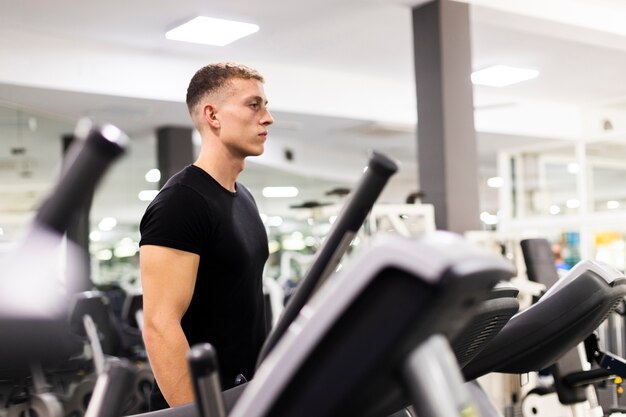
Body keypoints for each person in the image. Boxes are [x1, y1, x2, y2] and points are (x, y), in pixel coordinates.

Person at [139, 62, 273, 410]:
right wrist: (200, 410)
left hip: (242, 396)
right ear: (212, 115)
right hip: (202, 405)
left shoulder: (243, 197)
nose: (267, 117)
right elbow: (159, 326)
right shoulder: (181, 202)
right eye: (253, 104)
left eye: (266, 106)